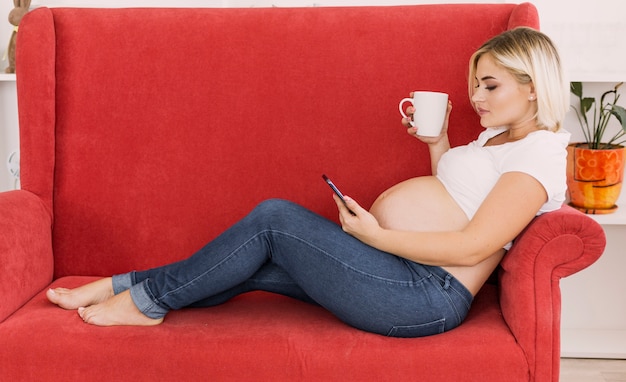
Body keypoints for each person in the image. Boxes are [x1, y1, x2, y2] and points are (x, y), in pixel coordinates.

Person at [47, 27, 571, 337]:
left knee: (275, 218)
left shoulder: (542, 149)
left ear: (532, 86)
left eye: (490, 84)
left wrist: (374, 236)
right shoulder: (492, 142)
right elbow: (459, 204)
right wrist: (436, 145)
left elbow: (474, 244)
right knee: (255, 262)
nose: (476, 97)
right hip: (400, 271)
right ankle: (128, 286)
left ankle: (143, 303)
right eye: (473, 84)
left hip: (426, 296)